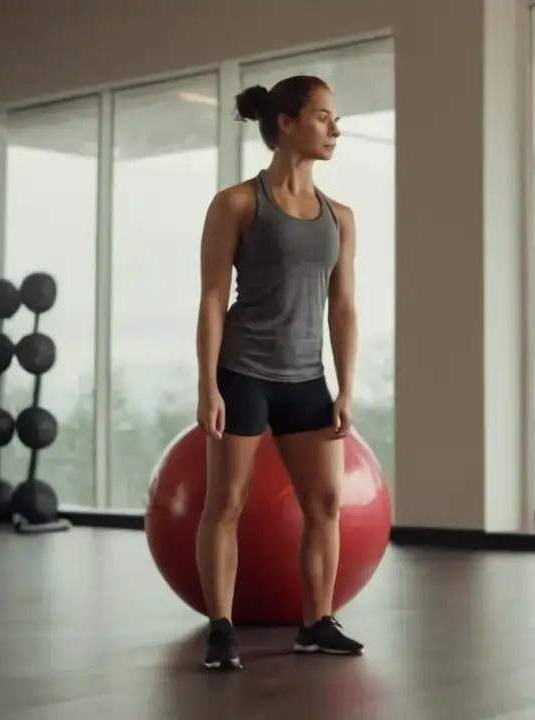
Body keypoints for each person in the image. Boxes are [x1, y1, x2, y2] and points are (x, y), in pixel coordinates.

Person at [193, 75, 363, 670]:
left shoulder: (339, 217)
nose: (335, 128)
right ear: (286, 124)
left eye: (335, 119)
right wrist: (207, 383)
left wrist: (346, 387)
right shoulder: (238, 203)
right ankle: (221, 628)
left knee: (326, 502)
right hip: (242, 370)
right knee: (227, 501)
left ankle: (316, 622)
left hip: (305, 378)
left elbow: (342, 308)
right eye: (323, 117)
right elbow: (214, 297)